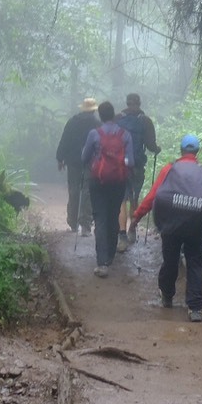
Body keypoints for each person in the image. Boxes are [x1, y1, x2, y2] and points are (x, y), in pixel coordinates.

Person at [131, 134, 202, 321]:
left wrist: (137, 215)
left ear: (181, 150)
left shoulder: (169, 168)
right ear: (197, 152)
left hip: (170, 222)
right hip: (195, 223)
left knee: (170, 259)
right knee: (194, 261)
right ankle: (195, 308)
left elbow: (153, 195)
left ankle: (167, 295)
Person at [80, 100, 135, 277]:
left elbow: (84, 157)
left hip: (98, 181)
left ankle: (102, 262)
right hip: (118, 182)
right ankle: (110, 254)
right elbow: (131, 161)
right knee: (113, 215)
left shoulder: (94, 134)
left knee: (100, 218)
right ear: (112, 115)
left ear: (101, 116)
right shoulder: (125, 135)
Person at [115, 94, 159, 250]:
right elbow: (151, 144)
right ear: (139, 103)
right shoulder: (145, 121)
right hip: (137, 166)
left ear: (126, 103)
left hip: (119, 166)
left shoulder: (118, 118)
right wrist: (156, 149)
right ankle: (132, 229)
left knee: (122, 200)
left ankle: (121, 235)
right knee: (134, 198)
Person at [55, 97, 100, 234]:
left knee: (74, 190)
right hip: (90, 162)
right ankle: (85, 224)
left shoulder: (72, 122)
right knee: (87, 191)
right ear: (93, 110)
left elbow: (65, 140)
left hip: (73, 161)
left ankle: (73, 222)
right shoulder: (97, 123)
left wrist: (60, 158)